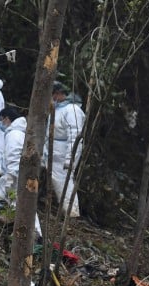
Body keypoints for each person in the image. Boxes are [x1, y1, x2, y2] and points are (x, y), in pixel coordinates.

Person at [0, 106, 42, 237]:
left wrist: (10, 178)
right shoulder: (20, 133)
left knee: (22, 206)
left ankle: (33, 236)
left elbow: (13, 158)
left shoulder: (13, 134)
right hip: (22, 174)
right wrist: (2, 172)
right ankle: (13, 225)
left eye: (1, 120)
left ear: (7, 119)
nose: (1, 123)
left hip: (18, 177)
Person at [43, 81, 86, 218]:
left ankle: (71, 212)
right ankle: (65, 211)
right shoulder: (57, 109)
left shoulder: (72, 110)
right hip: (54, 152)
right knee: (57, 181)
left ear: (58, 94)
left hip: (63, 154)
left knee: (64, 182)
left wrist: (70, 158)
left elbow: (75, 136)